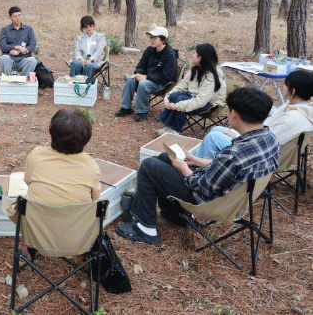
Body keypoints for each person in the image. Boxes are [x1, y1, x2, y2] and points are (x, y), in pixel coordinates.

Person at [116, 87, 280, 245]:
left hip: (211, 201)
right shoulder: (270, 139)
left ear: (234, 114)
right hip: (234, 197)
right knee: (166, 158)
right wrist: (196, 161)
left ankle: (146, 229)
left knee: (148, 166)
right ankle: (175, 214)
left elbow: (203, 188)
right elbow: (231, 170)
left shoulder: (234, 154)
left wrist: (184, 168)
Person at [195, 70, 313, 159]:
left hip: (260, 153)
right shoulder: (299, 107)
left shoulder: (292, 118)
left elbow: (264, 142)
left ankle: (200, 169)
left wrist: (237, 137)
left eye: (285, 85)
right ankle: (196, 160)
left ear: (293, 91)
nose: (283, 87)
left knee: (213, 138)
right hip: (261, 141)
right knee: (216, 129)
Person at [5, 109, 101, 218]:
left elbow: (28, 181)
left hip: (36, 225)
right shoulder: (91, 166)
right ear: (86, 140)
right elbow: (95, 197)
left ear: (52, 134)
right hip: (77, 226)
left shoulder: (36, 156)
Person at [157, 43, 226, 134]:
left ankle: (174, 131)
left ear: (200, 57)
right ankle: (169, 127)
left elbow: (201, 101)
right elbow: (182, 85)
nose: (192, 55)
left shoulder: (212, 76)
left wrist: (177, 106)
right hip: (194, 96)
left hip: (210, 104)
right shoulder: (196, 69)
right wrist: (168, 95)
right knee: (174, 96)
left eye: (194, 53)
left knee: (180, 100)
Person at [115, 26, 178, 122]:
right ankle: (125, 108)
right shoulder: (149, 50)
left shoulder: (170, 55)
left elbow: (166, 77)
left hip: (162, 84)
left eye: (155, 38)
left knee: (143, 83)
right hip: (148, 79)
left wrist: (146, 77)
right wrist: (138, 74)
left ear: (163, 39)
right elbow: (141, 66)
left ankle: (142, 112)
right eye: (151, 37)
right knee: (130, 79)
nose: (152, 40)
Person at [0, 6, 38, 76]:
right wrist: (17, 47)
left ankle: (23, 80)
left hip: (24, 59)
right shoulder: (5, 30)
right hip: (9, 58)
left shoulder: (28, 29)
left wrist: (19, 52)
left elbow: (32, 46)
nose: (18, 18)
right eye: (15, 16)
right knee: (4, 58)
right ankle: (6, 80)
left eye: (19, 15)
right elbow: (3, 46)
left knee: (32, 60)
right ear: (10, 18)